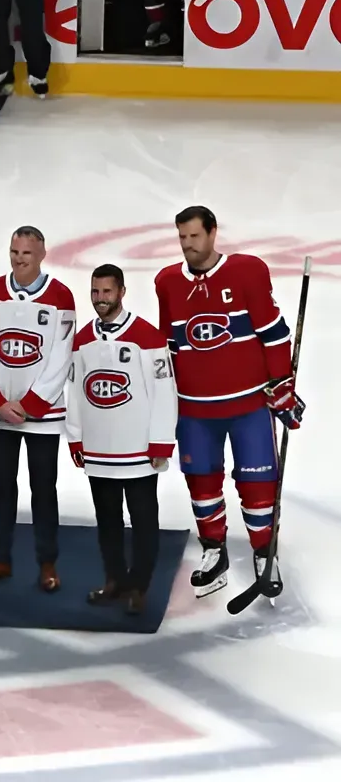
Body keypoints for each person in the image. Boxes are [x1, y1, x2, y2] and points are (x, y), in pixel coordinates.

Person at [155, 205, 302, 599]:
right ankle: (213, 551)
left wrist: (281, 384)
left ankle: (263, 553)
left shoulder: (246, 271)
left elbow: (273, 334)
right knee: (201, 482)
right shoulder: (167, 281)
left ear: (213, 232)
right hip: (193, 409)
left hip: (248, 405)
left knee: (258, 484)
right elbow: (167, 347)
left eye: (194, 236)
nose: (188, 245)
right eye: (182, 238)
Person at [0, 225, 77, 591]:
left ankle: (48, 564)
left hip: (42, 417)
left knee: (43, 489)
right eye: (14, 252)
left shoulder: (60, 296)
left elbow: (61, 356)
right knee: (0, 487)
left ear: (42, 254)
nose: (18, 259)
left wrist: (31, 405)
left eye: (26, 253)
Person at [66, 264, 177, 616]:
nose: (100, 299)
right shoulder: (82, 340)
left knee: (144, 521)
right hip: (99, 450)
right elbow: (75, 391)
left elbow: (164, 392)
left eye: (107, 292)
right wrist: (75, 437)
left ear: (122, 292)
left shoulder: (148, 337)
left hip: (138, 451)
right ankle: (114, 579)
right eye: (95, 292)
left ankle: (139, 586)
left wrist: (161, 443)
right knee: (108, 521)